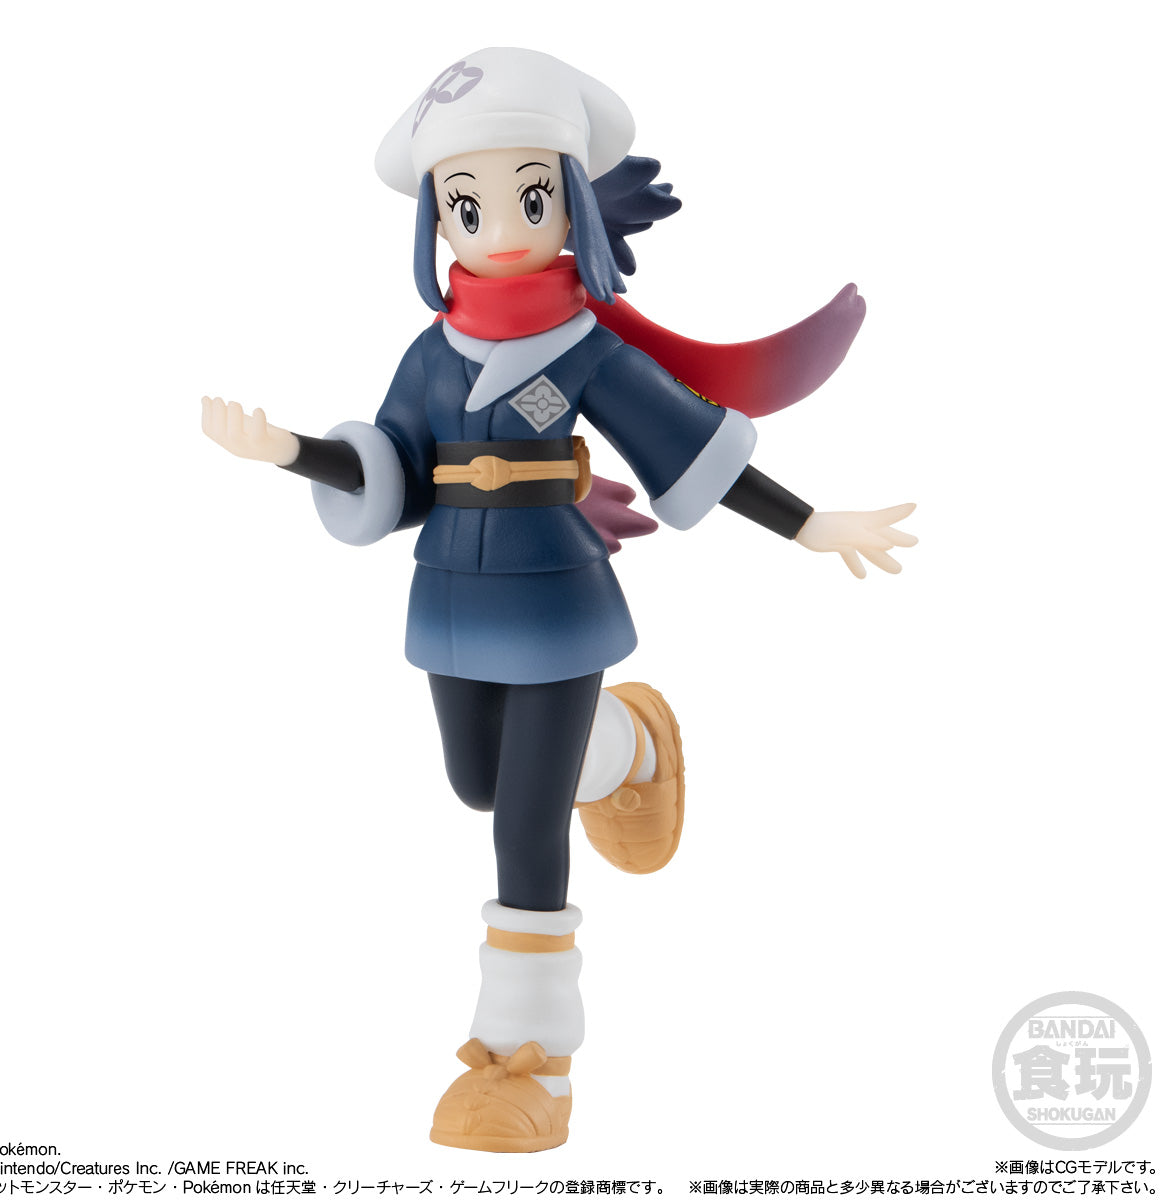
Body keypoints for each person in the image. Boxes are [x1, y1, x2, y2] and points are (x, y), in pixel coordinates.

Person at [201, 46, 916, 1153]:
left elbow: (688, 444)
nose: (497, 226)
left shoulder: (587, 349)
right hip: (452, 596)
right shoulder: (431, 354)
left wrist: (811, 523)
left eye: (528, 198)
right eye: (466, 204)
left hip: (557, 599)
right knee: (479, 786)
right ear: (437, 221)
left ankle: (527, 1056)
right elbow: (393, 468)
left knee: (525, 825)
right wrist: (293, 451)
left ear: (570, 201)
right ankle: (628, 745)